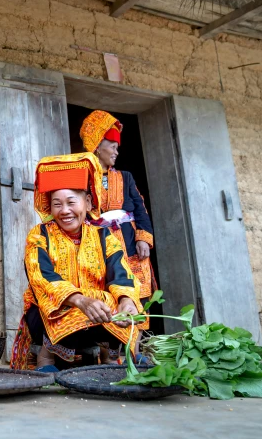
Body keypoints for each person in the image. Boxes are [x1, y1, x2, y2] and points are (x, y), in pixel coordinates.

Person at [10, 152, 141, 371]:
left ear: (88, 202)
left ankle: (110, 357)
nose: (64, 211)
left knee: (125, 307)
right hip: (52, 314)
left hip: (98, 312)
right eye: (57, 204)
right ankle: (47, 357)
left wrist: (126, 300)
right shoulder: (40, 235)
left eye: (71, 202)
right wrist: (80, 300)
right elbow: (42, 278)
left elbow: (121, 272)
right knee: (53, 304)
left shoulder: (104, 236)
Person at [80, 110, 156, 301]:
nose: (116, 152)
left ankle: (139, 332)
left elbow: (140, 208)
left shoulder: (126, 177)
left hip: (129, 242)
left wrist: (143, 238)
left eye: (117, 148)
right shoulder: (82, 179)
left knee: (138, 293)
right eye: (113, 147)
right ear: (98, 147)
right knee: (107, 293)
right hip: (98, 242)